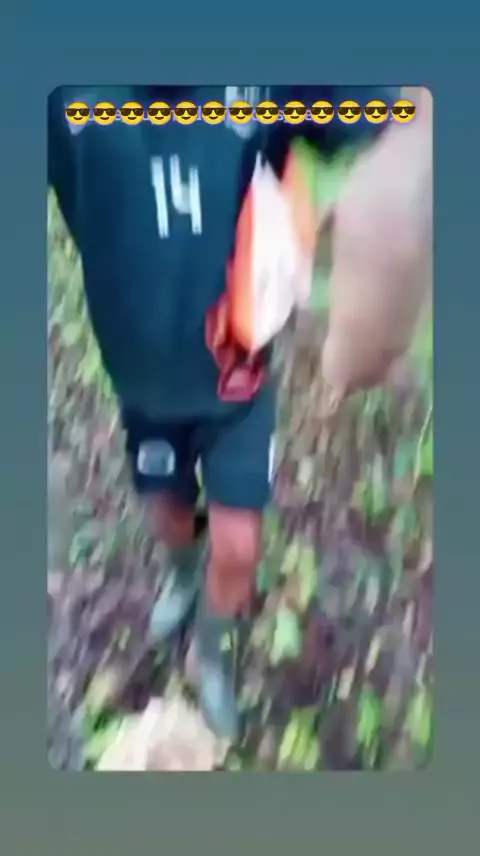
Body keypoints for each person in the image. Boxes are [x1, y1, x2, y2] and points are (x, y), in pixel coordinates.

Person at [49, 84, 422, 742]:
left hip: (237, 377)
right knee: (168, 517)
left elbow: (387, 113)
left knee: (239, 547)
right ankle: (180, 579)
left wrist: (414, 151)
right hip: (142, 381)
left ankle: (210, 652)